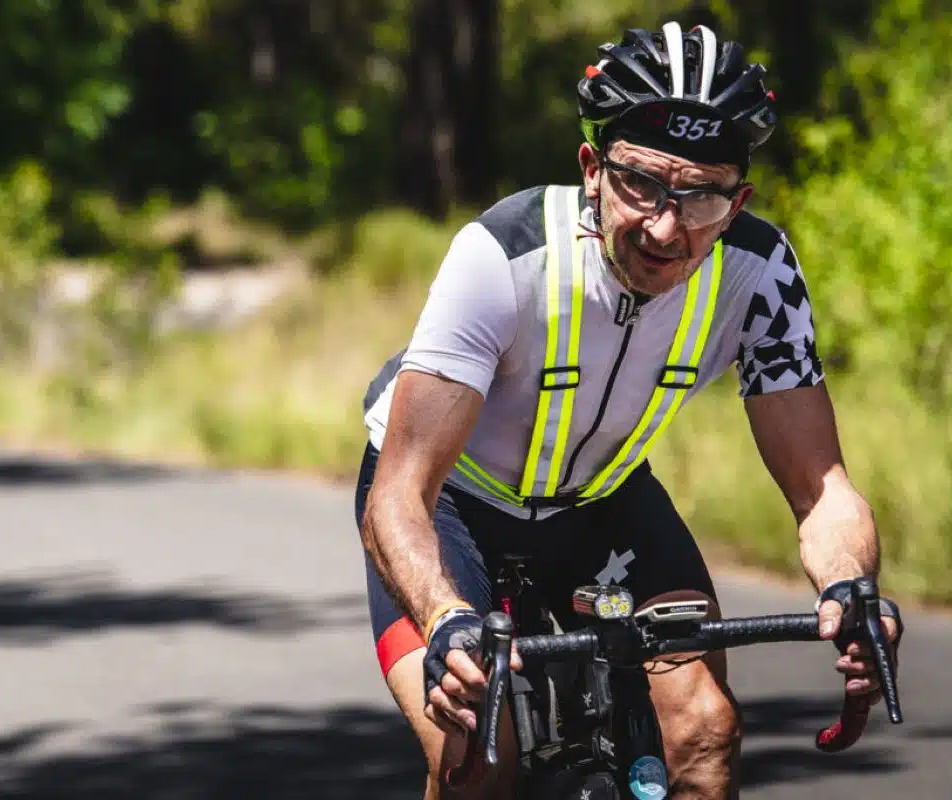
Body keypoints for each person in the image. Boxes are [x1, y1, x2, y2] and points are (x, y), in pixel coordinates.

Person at [355, 21, 902, 800]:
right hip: (451, 506)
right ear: (592, 169)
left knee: (704, 731)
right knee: (477, 753)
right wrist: (444, 616)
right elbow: (400, 492)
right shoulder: (502, 255)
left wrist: (850, 587)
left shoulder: (759, 274)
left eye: (702, 195)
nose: (665, 227)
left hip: (602, 501)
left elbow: (821, 490)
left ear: (737, 200)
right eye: (640, 183)